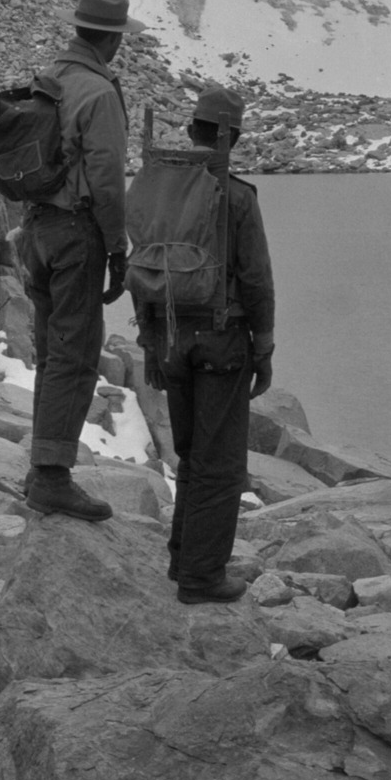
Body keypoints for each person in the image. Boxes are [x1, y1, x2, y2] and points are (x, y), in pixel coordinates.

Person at [136, 85, 276, 603]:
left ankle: (182, 559)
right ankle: (201, 577)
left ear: (193, 130)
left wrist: (151, 343)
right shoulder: (236, 196)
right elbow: (256, 279)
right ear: (231, 138)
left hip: (170, 338)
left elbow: (146, 268)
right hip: (221, 345)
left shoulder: (159, 188)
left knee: (192, 455)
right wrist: (263, 347)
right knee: (220, 466)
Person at [20, 0, 143, 520]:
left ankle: (42, 465)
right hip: (76, 234)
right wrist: (117, 248)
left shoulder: (49, 80)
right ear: (113, 40)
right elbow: (108, 182)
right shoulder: (98, 92)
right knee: (75, 354)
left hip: (36, 232)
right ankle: (51, 478)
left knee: (51, 354)